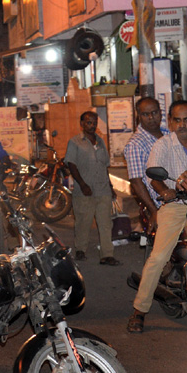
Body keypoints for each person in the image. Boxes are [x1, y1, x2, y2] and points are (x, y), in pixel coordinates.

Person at [129, 100, 187, 333]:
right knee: (159, 256)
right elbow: (154, 176)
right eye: (177, 120)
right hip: (176, 205)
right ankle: (139, 310)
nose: (182, 125)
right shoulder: (162, 145)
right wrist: (164, 191)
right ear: (170, 122)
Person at [65, 111, 120, 266]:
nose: (92, 125)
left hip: (103, 189)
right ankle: (81, 250)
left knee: (105, 223)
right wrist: (82, 184)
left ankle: (107, 255)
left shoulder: (101, 142)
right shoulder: (75, 142)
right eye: (88, 122)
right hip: (84, 191)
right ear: (82, 124)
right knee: (83, 222)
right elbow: (71, 164)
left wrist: (110, 186)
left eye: (94, 122)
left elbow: (104, 166)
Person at [123, 97, 168, 234]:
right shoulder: (136, 144)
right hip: (159, 205)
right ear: (139, 116)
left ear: (160, 113)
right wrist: (153, 210)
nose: (151, 117)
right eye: (145, 114)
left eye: (154, 113)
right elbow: (137, 183)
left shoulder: (169, 135)